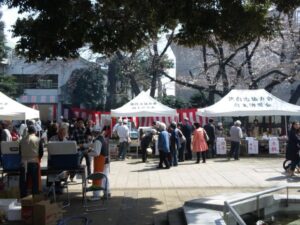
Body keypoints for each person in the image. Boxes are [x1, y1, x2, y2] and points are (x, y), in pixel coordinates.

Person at [87, 125, 111, 199]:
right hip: (105, 160)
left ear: (94, 133)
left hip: (100, 161)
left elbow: (96, 153)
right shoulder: (102, 138)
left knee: (97, 177)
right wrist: (85, 146)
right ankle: (107, 192)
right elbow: (93, 145)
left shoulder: (98, 140)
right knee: (105, 177)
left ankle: (96, 195)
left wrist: (87, 153)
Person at [19, 125, 43, 198]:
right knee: (34, 181)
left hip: (24, 163)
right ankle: (35, 197)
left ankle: (23, 198)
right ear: (35, 132)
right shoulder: (38, 139)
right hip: (34, 162)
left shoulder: (21, 140)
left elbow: (19, 152)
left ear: (28, 131)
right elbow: (41, 152)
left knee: (24, 181)